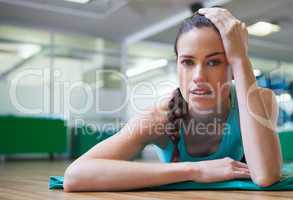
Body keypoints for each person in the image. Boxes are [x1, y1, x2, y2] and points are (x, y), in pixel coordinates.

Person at [63, 7, 282, 192]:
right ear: (177, 66)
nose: (198, 77)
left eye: (214, 62)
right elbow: (75, 175)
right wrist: (195, 170)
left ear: (232, 69)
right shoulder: (159, 118)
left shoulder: (263, 100)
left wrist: (241, 58)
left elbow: (265, 175)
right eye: (188, 62)